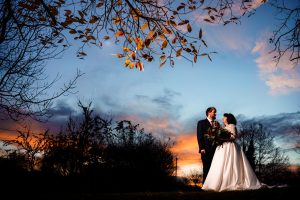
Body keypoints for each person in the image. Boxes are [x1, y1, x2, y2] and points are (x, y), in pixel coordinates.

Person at [202, 113, 262, 192]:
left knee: (230, 164)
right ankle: (217, 184)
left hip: (230, 147)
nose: (223, 119)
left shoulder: (232, 126)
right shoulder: (223, 128)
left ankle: (230, 182)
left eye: (224, 118)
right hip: (222, 148)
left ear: (228, 119)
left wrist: (223, 139)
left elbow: (233, 137)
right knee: (220, 165)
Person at [197, 107, 219, 184]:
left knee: (215, 168)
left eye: (215, 112)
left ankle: (214, 185)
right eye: (214, 112)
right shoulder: (201, 123)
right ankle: (205, 186)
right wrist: (202, 148)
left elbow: (218, 136)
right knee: (206, 167)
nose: (215, 113)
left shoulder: (217, 123)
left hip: (216, 150)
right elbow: (199, 136)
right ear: (209, 113)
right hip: (205, 149)